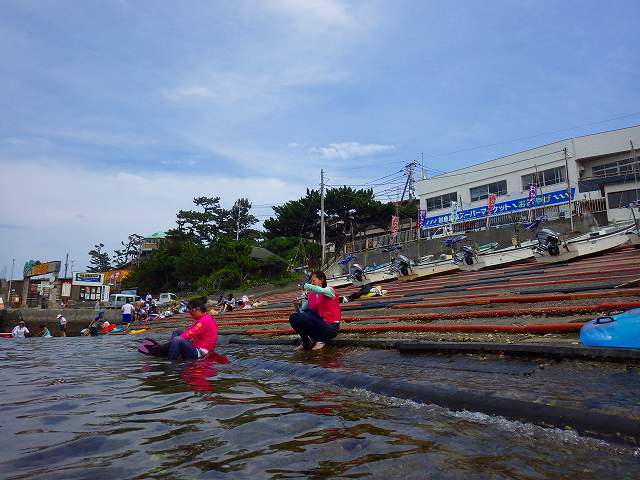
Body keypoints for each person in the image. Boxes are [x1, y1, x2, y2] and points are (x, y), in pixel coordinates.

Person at [138, 298, 218, 360]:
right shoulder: (203, 319)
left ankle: (170, 361)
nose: (190, 313)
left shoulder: (205, 320)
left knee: (177, 340)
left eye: (190, 311)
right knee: (177, 332)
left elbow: (189, 334)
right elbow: (188, 332)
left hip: (201, 352)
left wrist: (163, 346)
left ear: (196, 309)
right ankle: (169, 350)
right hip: (196, 346)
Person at [289, 271, 341, 351]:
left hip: (330, 327)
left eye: (314, 281)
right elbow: (302, 312)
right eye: (311, 281)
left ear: (321, 280)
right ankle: (306, 342)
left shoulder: (330, 290)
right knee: (293, 317)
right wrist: (296, 305)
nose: (312, 283)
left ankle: (321, 340)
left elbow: (322, 291)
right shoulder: (311, 294)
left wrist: (307, 286)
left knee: (306, 317)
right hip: (318, 324)